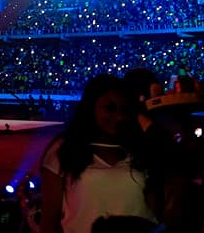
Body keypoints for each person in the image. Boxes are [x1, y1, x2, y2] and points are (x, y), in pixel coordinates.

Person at [40, 74, 159, 233]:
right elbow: (49, 220)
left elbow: (160, 208)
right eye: (109, 108)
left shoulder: (140, 148)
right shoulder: (64, 149)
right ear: (90, 107)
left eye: (124, 109)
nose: (119, 116)